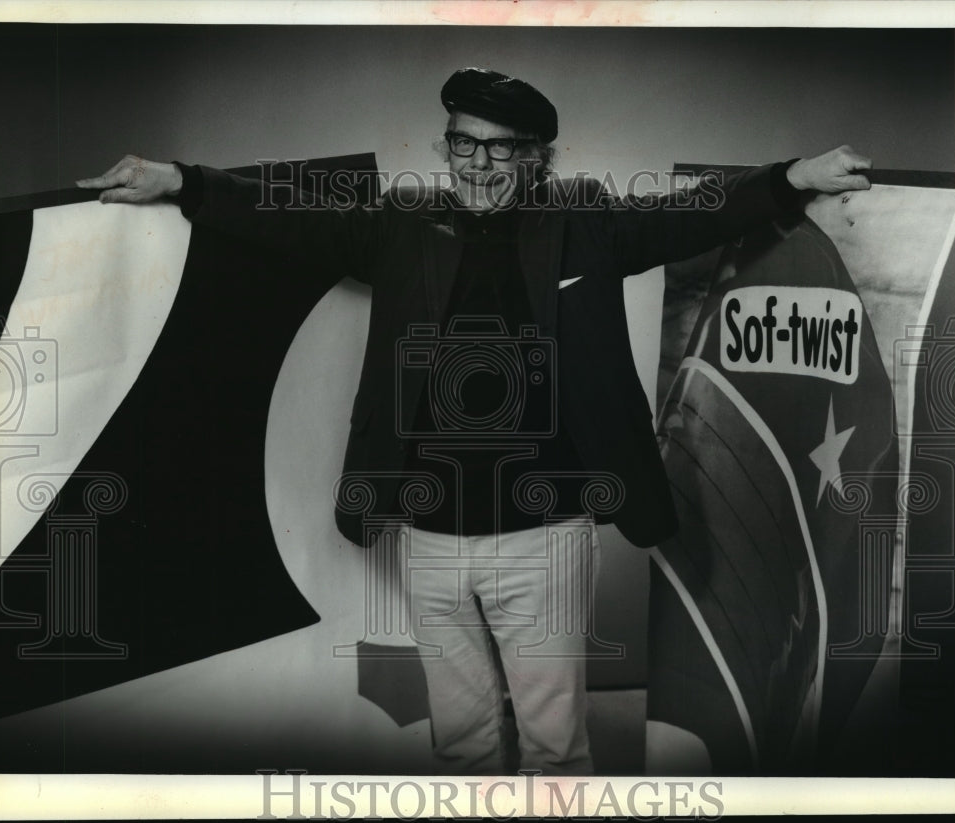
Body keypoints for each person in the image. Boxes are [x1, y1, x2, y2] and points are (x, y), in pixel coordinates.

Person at [76, 67, 872, 775]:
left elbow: (692, 214)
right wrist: (180, 180)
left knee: (557, 746)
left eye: (500, 149)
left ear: (536, 157)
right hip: (429, 536)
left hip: (547, 537)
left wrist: (791, 177)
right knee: (459, 741)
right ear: (447, 146)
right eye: (463, 145)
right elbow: (287, 215)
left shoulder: (586, 225)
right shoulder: (400, 228)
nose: (478, 165)